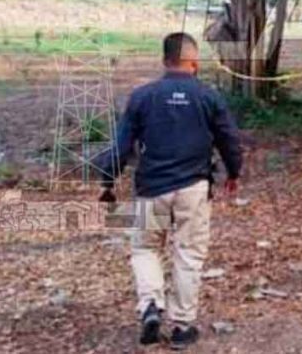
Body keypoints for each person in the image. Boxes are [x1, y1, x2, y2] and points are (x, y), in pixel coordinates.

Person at [95, 32, 242, 349]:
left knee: (145, 249)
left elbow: (121, 146)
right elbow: (229, 139)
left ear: (164, 61)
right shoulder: (208, 96)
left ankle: (150, 305)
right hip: (193, 187)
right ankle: (182, 327)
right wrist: (234, 172)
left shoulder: (142, 97)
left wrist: (107, 180)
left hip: (151, 187)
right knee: (188, 254)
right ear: (194, 62)